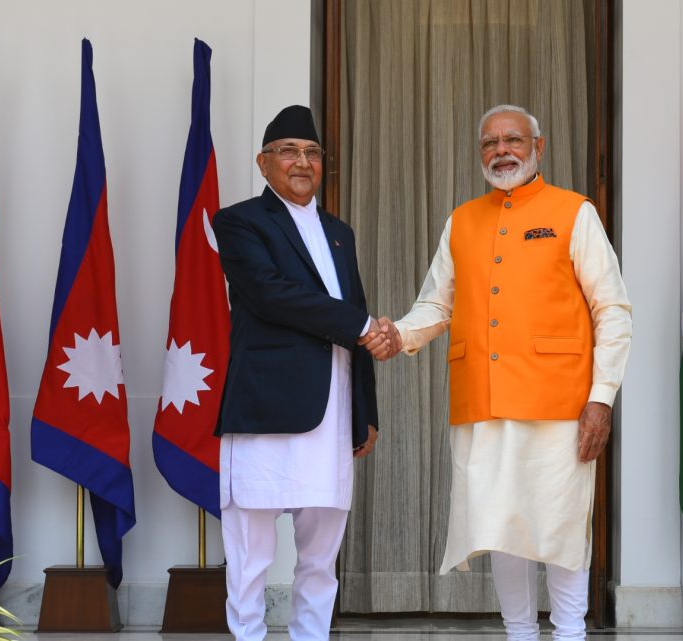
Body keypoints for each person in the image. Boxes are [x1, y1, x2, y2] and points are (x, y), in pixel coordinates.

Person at [381, 104, 632, 640]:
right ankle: (518, 633)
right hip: (484, 404)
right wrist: (399, 334)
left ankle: (568, 632)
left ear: (538, 148)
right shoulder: (462, 220)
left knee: (562, 530)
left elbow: (612, 310)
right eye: (491, 143)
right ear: (480, 153)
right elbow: (437, 305)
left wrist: (602, 397)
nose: (502, 151)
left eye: (513, 140)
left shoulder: (574, 212)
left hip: (561, 405)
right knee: (500, 530)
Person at [212, 105, 396, 641]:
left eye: (312, 153)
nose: (302, 162)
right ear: (264, 162)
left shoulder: (340, 232)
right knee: (250, 557)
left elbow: (354, 307)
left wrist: (366, 411)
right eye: (289, 151)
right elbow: (272, 295)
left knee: (320, 557)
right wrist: (364, 326)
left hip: (333, 412)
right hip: (266, 406)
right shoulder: (239, 221)